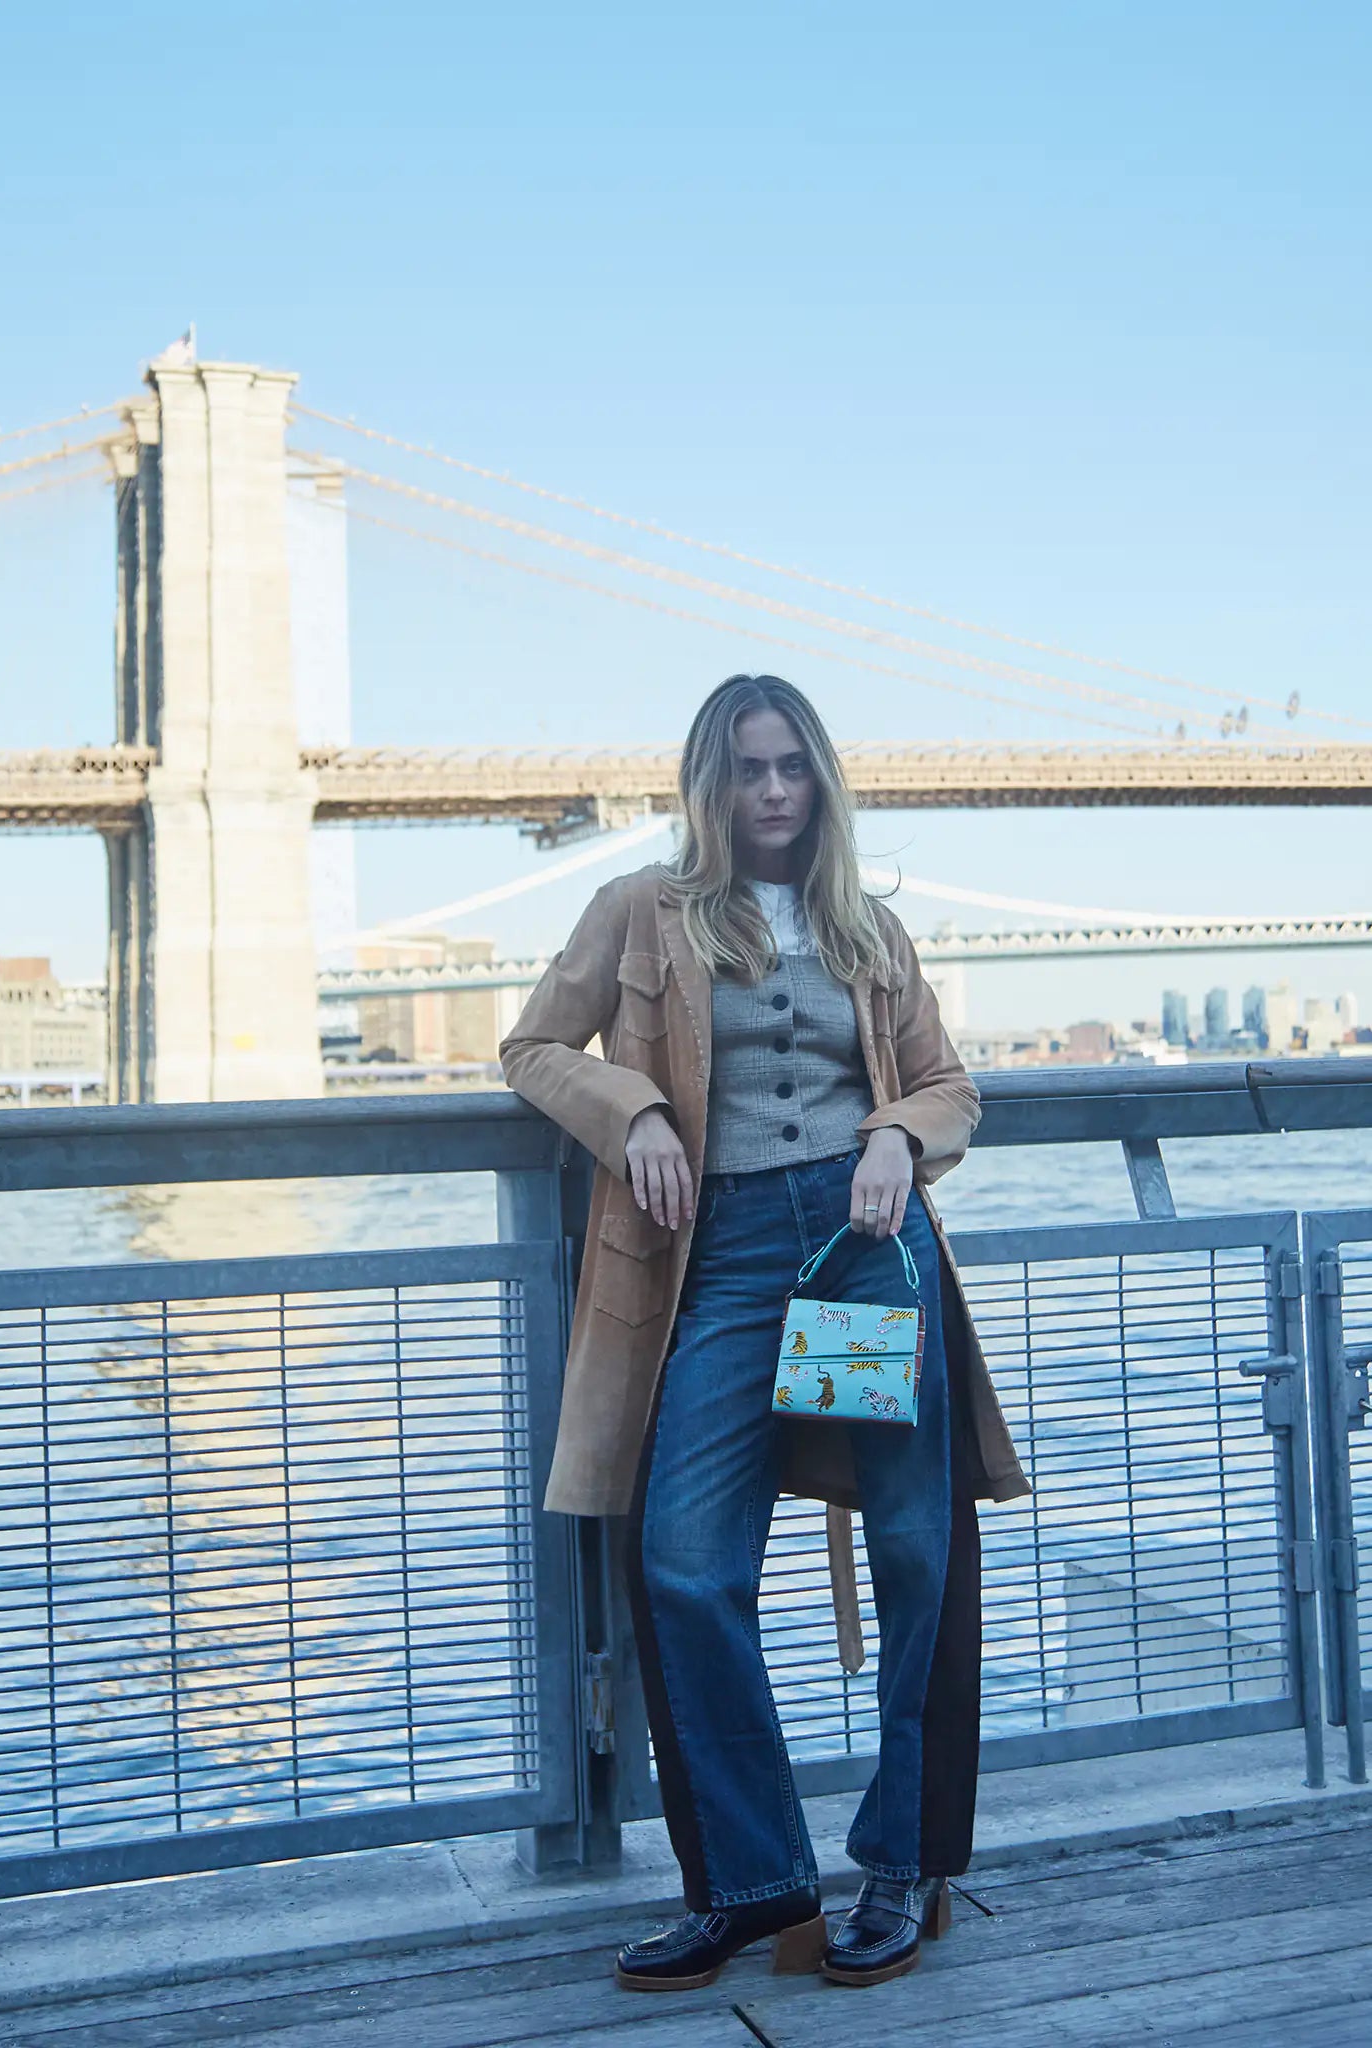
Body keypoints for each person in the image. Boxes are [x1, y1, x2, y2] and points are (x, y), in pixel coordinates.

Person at [499, 674, 1029, 1992]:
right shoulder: (639, 909)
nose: (775, 791)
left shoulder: (867, 928)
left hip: (860, 1258)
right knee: (686, 1560)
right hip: (721, 1263)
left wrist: (898, 1136)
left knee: (915, 1549)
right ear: (712, 784)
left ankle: (904, 1864)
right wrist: (633, 1111)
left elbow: (950, 1086)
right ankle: (754, 1884)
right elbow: (533, 1047)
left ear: (820, 778)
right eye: (749, 769)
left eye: (793, 765)